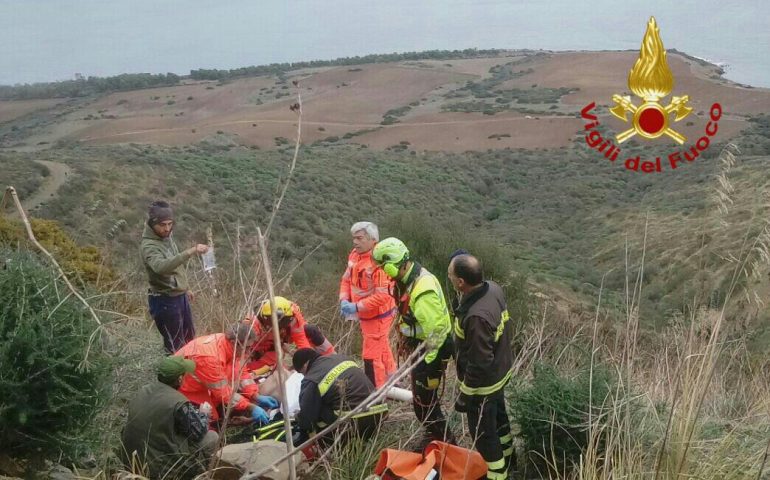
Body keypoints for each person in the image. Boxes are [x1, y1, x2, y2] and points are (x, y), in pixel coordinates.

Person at [372, 237, 456, 447]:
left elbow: (437, 331)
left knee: (425, 402)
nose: (383, 271)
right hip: (421, 348)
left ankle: (447, 443)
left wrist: (428, 364)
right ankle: (433, 436)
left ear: (392, 264)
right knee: (422, 402)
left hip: (432, 351)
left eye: (384, 266)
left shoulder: (422, 288)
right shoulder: (407, 280)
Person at [448, 254, 515, 480]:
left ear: (461, 282)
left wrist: (465, 396)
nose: (449, 277)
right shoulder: (493, 289)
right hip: (500, 372)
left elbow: (479, 363)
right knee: (500, 421)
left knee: (484, 435)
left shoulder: (476, 316)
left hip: (483, 387)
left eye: (451, 274)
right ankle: (510, 460)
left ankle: (497, 474)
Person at [121, 356, 219, 479]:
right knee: (211, 437)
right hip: (160, 468)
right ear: (179, 379)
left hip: (132, 462)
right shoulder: (177, 401)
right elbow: (199, 432)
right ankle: (206, 474)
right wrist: (204, 414)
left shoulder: (143, 390)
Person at [140, 200, 209, 353]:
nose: (167, 228)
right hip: (165, 300)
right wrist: (190, 252)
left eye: (170, 224)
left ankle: (189, 374)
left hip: (179, 296)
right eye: (163, 225)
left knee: (189, 338)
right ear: (152, 223)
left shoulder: (166, 237)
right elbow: (160, 267)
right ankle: (173, 376)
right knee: (174, 346)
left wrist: (185, 288)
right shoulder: (149, 246)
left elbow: (176, 265)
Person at [176, 323, 278, 425]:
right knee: (209, 419)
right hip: (186, 389)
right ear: (234, 343)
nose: (248, 352)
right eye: (246, 348)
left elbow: (241, 373)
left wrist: (255, 395)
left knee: (238, 400)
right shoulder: (210, 358)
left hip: (207, 383)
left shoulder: (230, 346)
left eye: (250, 347)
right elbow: (223, 392)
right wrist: (251, 407)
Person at [338, 221, 397, 388]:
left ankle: (376, 393)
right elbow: (346, 279)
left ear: (373, 240)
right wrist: (344, 299)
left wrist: (356, 307)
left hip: (378, 315)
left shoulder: (379, 262)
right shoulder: (354, 255)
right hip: (365, 314)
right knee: (382, 344)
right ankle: (392, 379)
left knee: (371, 356)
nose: (355, 242)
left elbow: (383, 296)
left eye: (359, 238)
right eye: (353, 238)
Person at [291, 348, 387, 445]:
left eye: (302, 373)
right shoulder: (343, 358)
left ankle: (330, 445)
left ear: (305, 365)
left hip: (353, 423)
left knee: (316, 410)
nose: (304, 376)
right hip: (379, 415)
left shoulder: (312, 378)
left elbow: (307, 421)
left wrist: (298, 417)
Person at [245, 296, 314, 373]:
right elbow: (242, 348)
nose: (277, 328)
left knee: (278, 355)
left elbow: (302, 341)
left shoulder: (293, 317)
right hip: (257, 345)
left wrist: (307, 363)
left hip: (274, 344)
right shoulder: (252, 324)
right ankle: (248, 370)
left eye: (280, 325)